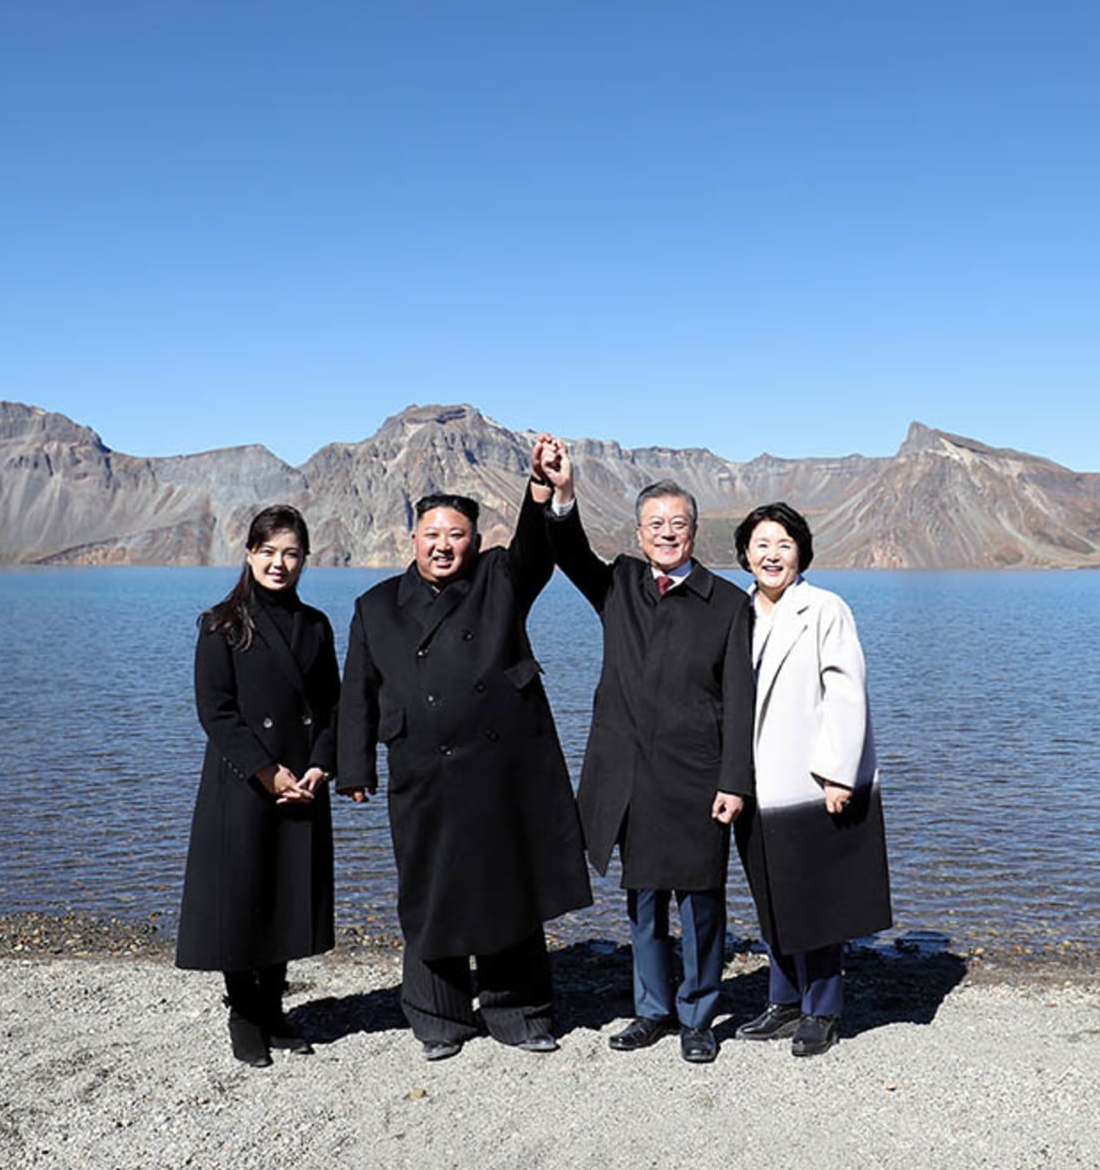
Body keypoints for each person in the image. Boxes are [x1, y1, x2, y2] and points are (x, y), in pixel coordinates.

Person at [337, 452, 592, 1060]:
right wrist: (355, 767)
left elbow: (536, 548)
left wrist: (542, 487)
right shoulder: (376, 605)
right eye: (432, 534)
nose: (443, 545)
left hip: (500, 770)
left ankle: (520, 1014)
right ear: (413, 540)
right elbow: (357, 691)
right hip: (421, 769)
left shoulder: (501, 577)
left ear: (475, 542)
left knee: (508, 885)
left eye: (456, 535)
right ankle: (438, 1017)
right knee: (431, 889)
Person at [538, 437, 754, 1064]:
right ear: (638, 534)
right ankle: (652, 1010)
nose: (666, 533)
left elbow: (741, 701)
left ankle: (698, 1016)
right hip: (629, 777)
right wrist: (564, 492)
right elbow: (566, 550)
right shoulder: (619, 584)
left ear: (694, 532)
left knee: (702, 903)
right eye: (655, 524)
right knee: (644, 902)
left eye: (677, 524)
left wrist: (734, 780)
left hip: (698, 777)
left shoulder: (727, 603)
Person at [176, 504, 340, 1068]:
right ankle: (244, 1015)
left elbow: (331, 705)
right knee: (240, 897)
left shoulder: (316, 625)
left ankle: (273, 1009)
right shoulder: (221, 623)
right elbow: (216, 712)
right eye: (268, 551)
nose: (279, 563)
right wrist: (268, 773)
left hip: (301, 781)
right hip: (243, 782)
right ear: (249, 554)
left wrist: (321, 764)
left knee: (285, 895)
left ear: (305, 560)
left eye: (291, 553)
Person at [730, 503, 892, 1057]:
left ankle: (821, 1009)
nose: (772, 555)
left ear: (801, 553)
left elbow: (846, 692)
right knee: (772, 896)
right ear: (745, 554)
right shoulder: (737, 613)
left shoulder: (824, 608)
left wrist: (838, 774)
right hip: (753, 783)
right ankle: (783, 1001)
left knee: (818, 898)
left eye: (784, 544)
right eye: (761, 545)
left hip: (809, 781)